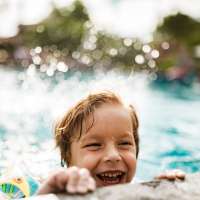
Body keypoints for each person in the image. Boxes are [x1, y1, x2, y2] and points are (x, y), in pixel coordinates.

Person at [37, 91, 185, 195]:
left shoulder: (139, 188)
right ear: (67, 158)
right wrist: (48, 194)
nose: (113, 156)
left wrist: (165, 187)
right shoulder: (48, 188)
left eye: (125, 143)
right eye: (94, 145)